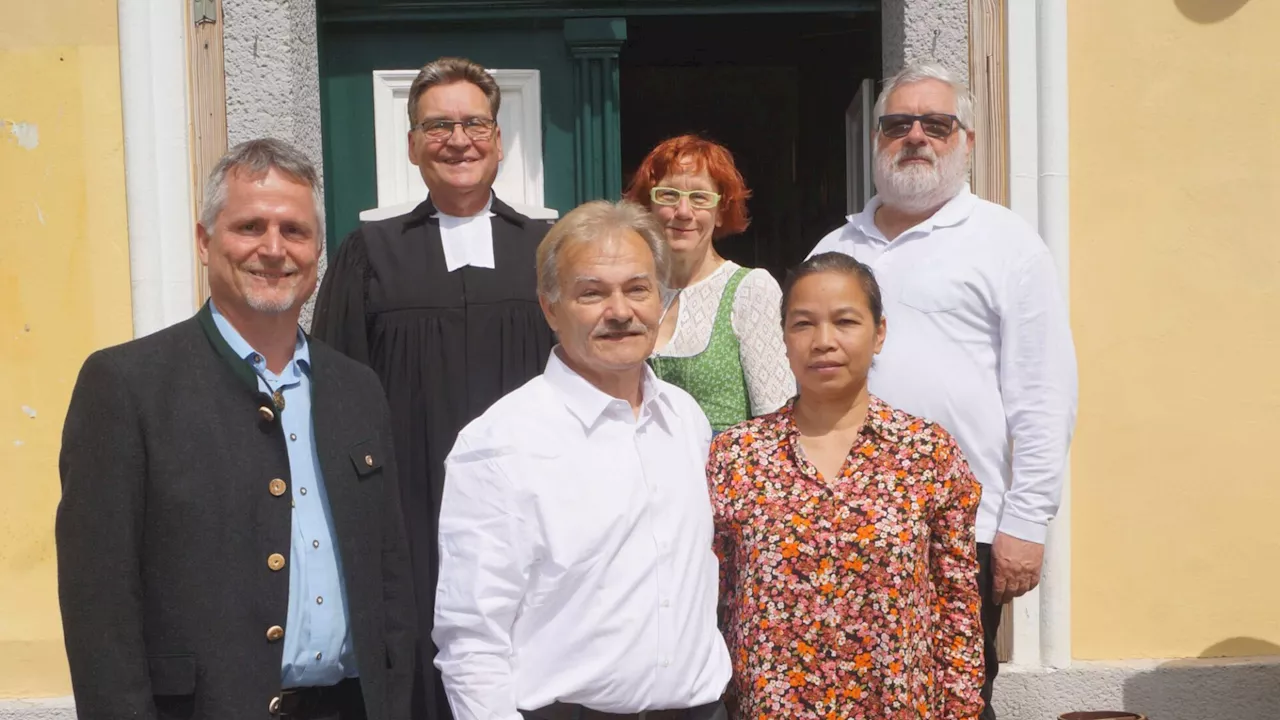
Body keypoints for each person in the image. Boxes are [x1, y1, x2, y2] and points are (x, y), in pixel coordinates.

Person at [56, 138, 416, 720]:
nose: (273, 250)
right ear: (204, 241)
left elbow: (390, 576)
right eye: (250, 227)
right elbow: (99, 604)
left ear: (318, 250)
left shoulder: (357, 388)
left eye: (294, 232)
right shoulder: (125, 384)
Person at [807, 61, 1079, 719]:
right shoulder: (836, 249)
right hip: (839, 524)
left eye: (936, 123)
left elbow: (1043, 392)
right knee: (843, 695)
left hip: (958, 526)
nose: (916, 137)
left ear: (968, 141)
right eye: (898, 124)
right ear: (876, 139)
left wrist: (1025, 520)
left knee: (948, 699)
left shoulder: (1006, 243)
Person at [311, 56, 555, 719]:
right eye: (438, 125)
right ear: (414, 144)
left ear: (499, 139)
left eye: (475, 122)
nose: (459, 139)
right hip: (411, 518)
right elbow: (331, 394)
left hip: (534, 513)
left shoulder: (548, 250)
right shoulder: (371, 253)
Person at [432, 200, 732, 720]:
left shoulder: (686, 421)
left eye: (637, 288)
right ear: (550, 308)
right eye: (592, 293)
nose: (620, 311)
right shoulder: (500, 444)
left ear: (660, 298)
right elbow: (472, 640)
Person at [709, 252, 985, 720]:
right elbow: (711, 598)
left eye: (845, 322)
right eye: (803, 324)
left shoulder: (926, 454)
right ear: (783, 337)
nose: (823, 342)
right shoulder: (738, 457)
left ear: (879, 333)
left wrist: (960, 709)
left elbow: (955, 604)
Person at [623, 135, 792, 432]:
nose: (684, 212)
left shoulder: (751, 289)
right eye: (668, 195)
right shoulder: (631, 290)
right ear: (647, 206)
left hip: (719, 473)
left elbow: (776, 421)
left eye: (700, 198)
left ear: (720, 213)